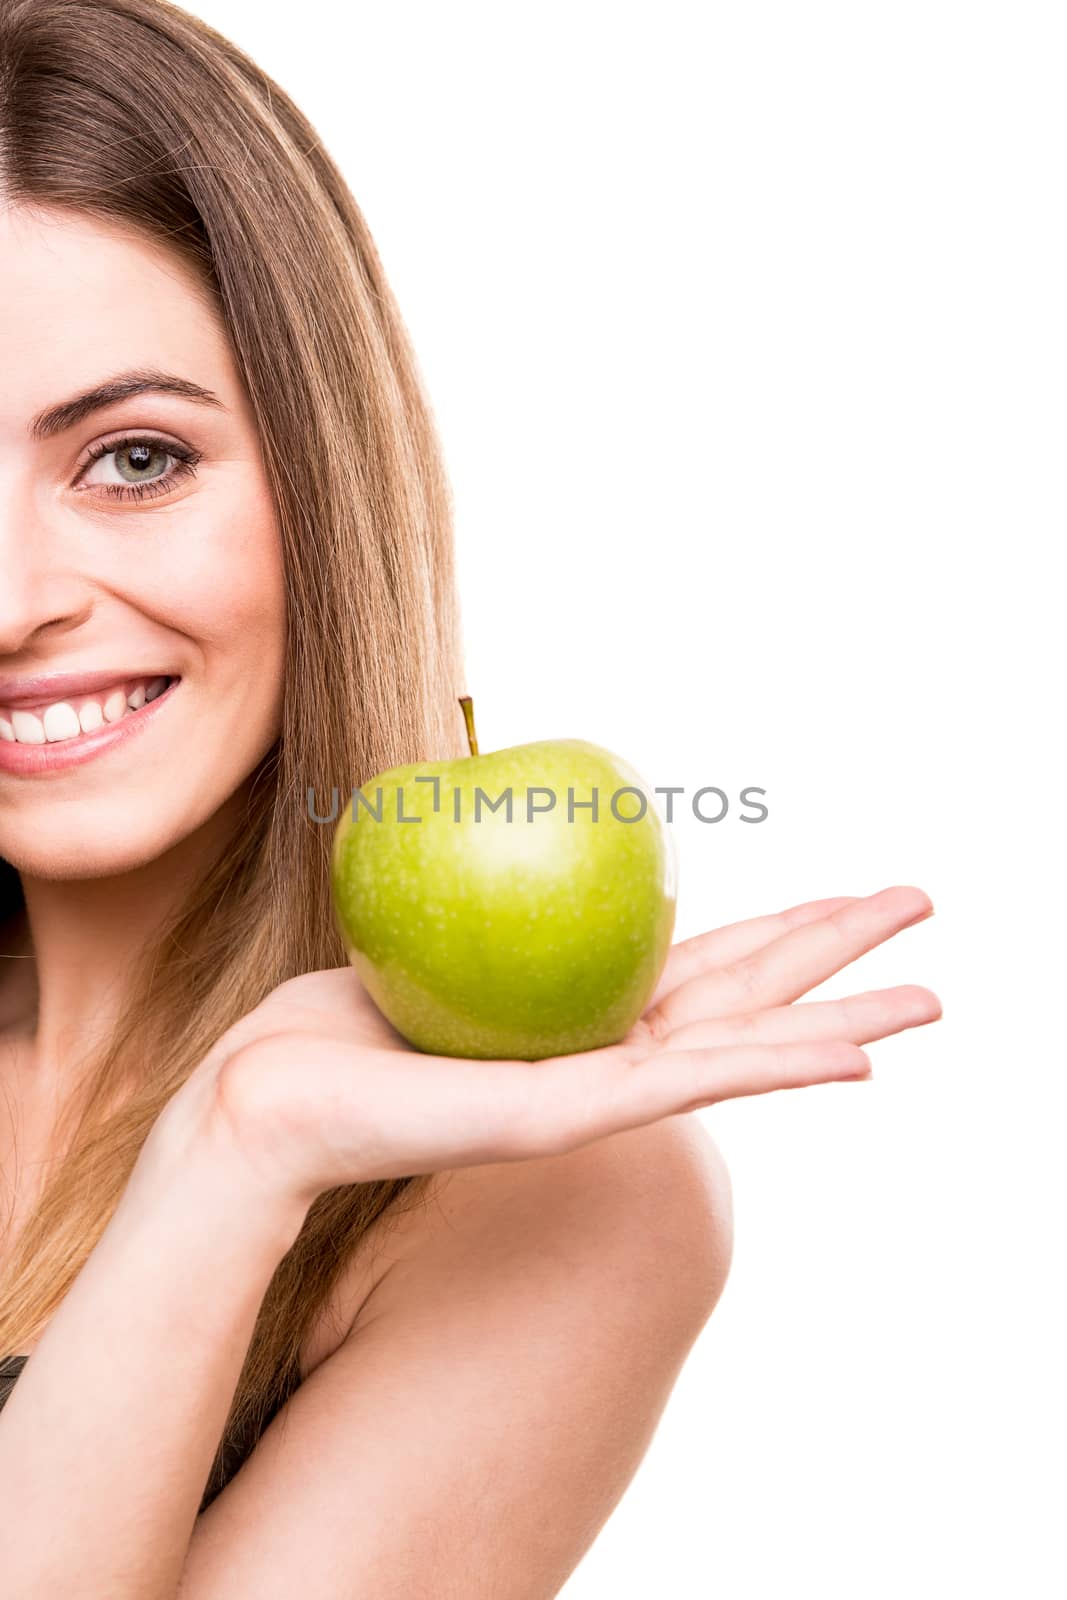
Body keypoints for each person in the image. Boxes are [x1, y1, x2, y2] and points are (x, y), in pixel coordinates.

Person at [0, 1, 941, 1593]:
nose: (15, 597)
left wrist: (229, 1161)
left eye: (136, 459)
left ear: (321, 468)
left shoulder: (557, 1202)